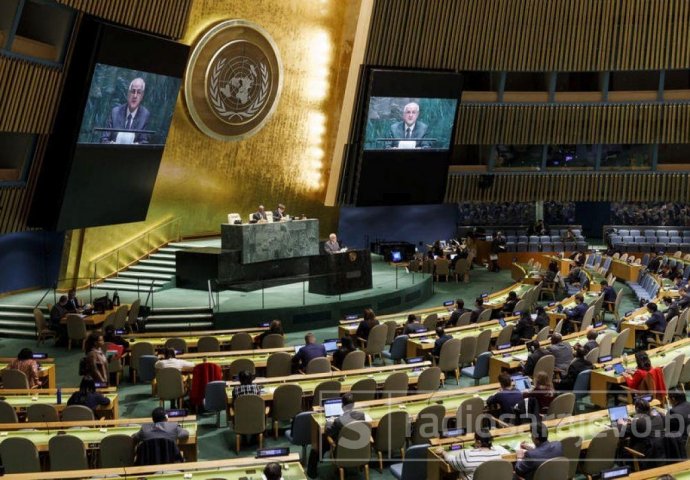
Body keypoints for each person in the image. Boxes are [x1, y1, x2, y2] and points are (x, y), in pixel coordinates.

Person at [617, 398, 666, 470]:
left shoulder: (639, 422)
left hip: (645, 455)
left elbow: (622, 433)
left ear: (637, 409)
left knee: (622, 446)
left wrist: (620, 423)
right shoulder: (659, 416)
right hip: (661, 452)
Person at [442, 428, 508, 478]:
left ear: (479, 442)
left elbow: (453, 462)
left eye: (475, 440)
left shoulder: (468, 455)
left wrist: (443, 452)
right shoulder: (498, 455)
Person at [101, 77, 150, 144]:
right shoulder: (115, 112)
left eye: (138, 92)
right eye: (133, 91)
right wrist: (111, 144)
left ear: (142, 96)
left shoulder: (145, 115)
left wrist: (136, 145)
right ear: (128, 93)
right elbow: (104, 139)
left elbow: (144, 142)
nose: (135, 96)